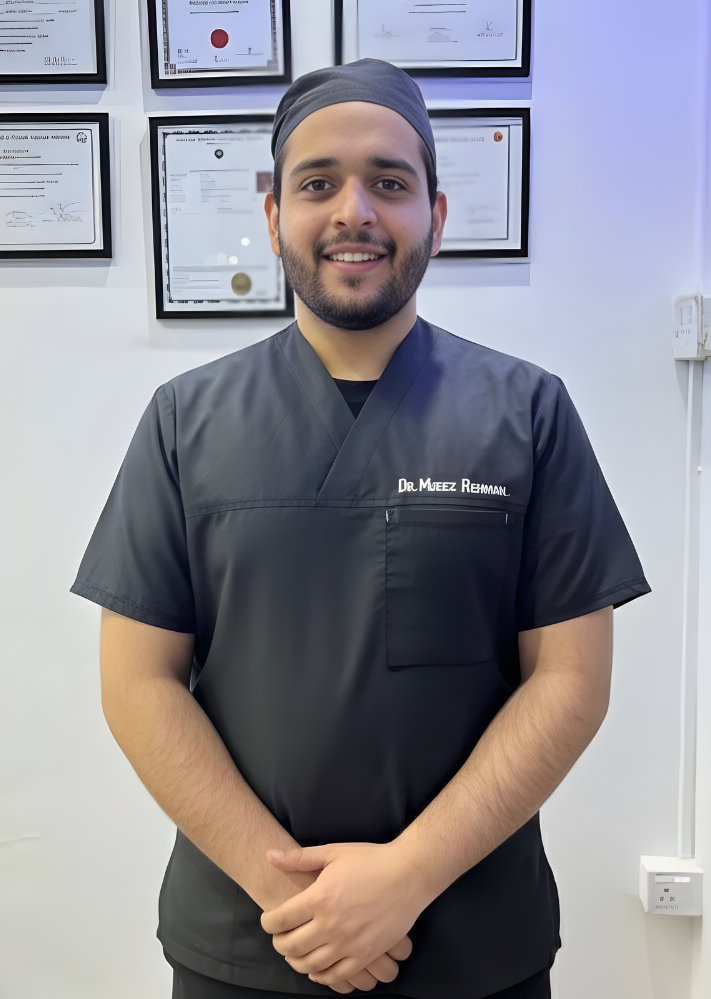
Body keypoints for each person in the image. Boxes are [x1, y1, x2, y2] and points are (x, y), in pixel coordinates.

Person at [71, 59, 650, 999]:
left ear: (436, 215)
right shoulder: (185, 422)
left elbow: (570, 682)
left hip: (471, 944)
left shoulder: (528, 414)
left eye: (389, 181)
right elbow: (138, 683)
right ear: (273, 217)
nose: (354, 211)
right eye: (317, 183)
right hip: (249, 939)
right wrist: (295, 899)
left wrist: (408, 876)